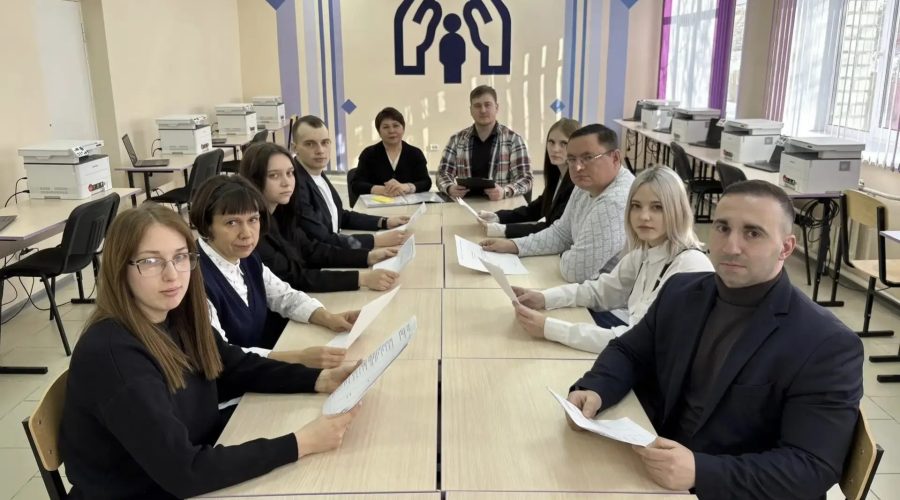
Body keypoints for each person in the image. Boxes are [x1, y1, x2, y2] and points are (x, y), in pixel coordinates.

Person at [565, 180, 863, 498]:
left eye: (753, 233)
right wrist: (596, 388)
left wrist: (700, 471)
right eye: (722, 228)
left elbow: (811, 467)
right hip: (655, 469)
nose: (731, 246)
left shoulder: (826, 343)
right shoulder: (682, 292)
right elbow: (629, 351)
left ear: (786, 248)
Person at [59, 203, 360, 499]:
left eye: (180, 257)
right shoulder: (113, 355)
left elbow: (233, 366)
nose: (172, 275)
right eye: (150, 261)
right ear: (119, 268)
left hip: (195, 462)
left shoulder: (176, 316)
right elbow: (184, 472)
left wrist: (318, 379)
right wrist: (302, 442)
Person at [512, 166, 713, 352]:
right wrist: (544, 298)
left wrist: (549, 328)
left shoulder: (689, 267)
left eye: (657, 207)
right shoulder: (645, 253)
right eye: (636, 206)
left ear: (677, 210)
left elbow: (634, 341)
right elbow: (600, 291)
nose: (643, 216)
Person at [190, 175, 360, 369]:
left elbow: (284, 296)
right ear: (206, 226)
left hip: (260, 367)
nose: (246, 233)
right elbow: (222, 355)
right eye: (232, 222)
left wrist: (328, 317)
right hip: (234, 381)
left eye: (253, 219)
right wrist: (298, 358)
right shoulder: (194, 278)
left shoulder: (246, 257)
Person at [481, 124, 634, 283]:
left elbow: (576, 271)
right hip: (585, 288)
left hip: (608, 296)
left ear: (615, 158)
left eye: (588, 157)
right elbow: (561, 234)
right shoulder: (586, 184)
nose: (578, 167)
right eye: (572, 159)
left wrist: (567, 251)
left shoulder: (615, 201)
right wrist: (513, 246)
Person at [241, 142, 399, 293]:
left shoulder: (281, 213)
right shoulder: (252, 229)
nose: (286, 182)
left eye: (289, 173)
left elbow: (311, 250)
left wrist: (368, 257)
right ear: (254, 179)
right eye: (274, 175)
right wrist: (362, 278)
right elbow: (292, 278)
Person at [285, 115, 409, 250]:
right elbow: (323, 239)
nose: (320, 150)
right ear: (294, 148)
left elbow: (340, 216)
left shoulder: (315, 172)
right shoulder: (295, 185)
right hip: (320, 257)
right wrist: (376, 240)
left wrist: (384, 222)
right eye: (310, 144)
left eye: (325, 142)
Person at [477, 118, 579, 238]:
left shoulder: (575, 184)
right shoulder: (557, 176)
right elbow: (535, 210)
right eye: (551, 142)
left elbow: (552, 229)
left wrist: (502, 230)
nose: (555, 149)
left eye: (563, 143)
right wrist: (498, 217)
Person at [436, 85, 533, 200]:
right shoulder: (456, 140)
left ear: (496, 107)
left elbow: (526, 178)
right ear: (471, 110)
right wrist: (449, 187)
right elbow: (442, 173)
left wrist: (505, 191)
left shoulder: (513, 140)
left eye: (487, 105)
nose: (483, 110)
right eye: (477, 106)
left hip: (501, 204)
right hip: (467, 204)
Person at [351, 107, 432, 196]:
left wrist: (406, 187)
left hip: (409, 203)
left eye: (396, 125)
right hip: (378, 202)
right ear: (379, 131)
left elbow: (426, 182)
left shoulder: (415, 153)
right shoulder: (369, 154)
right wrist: (380, 189)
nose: (391, 131)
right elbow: (356, 184)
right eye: (386, 127)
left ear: (403, 128)